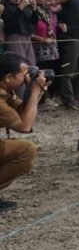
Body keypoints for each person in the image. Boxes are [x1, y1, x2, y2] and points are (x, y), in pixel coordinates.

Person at [0, 51, 48, 211]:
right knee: (26, 150)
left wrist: (37, 91)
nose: (27, 76)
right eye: (23, 74)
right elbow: (24, 126)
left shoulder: (5, 90)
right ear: (8, 77)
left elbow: (22, 111)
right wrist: (34, 91)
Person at [1, 0, 36, 68]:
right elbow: (9, 24)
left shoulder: (25, 6)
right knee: (20, 65)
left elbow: (34, 22)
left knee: (31, 63)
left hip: (27, 37)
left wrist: (34, 9)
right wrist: (20, 8)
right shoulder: (5, 7)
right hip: (15, 38)